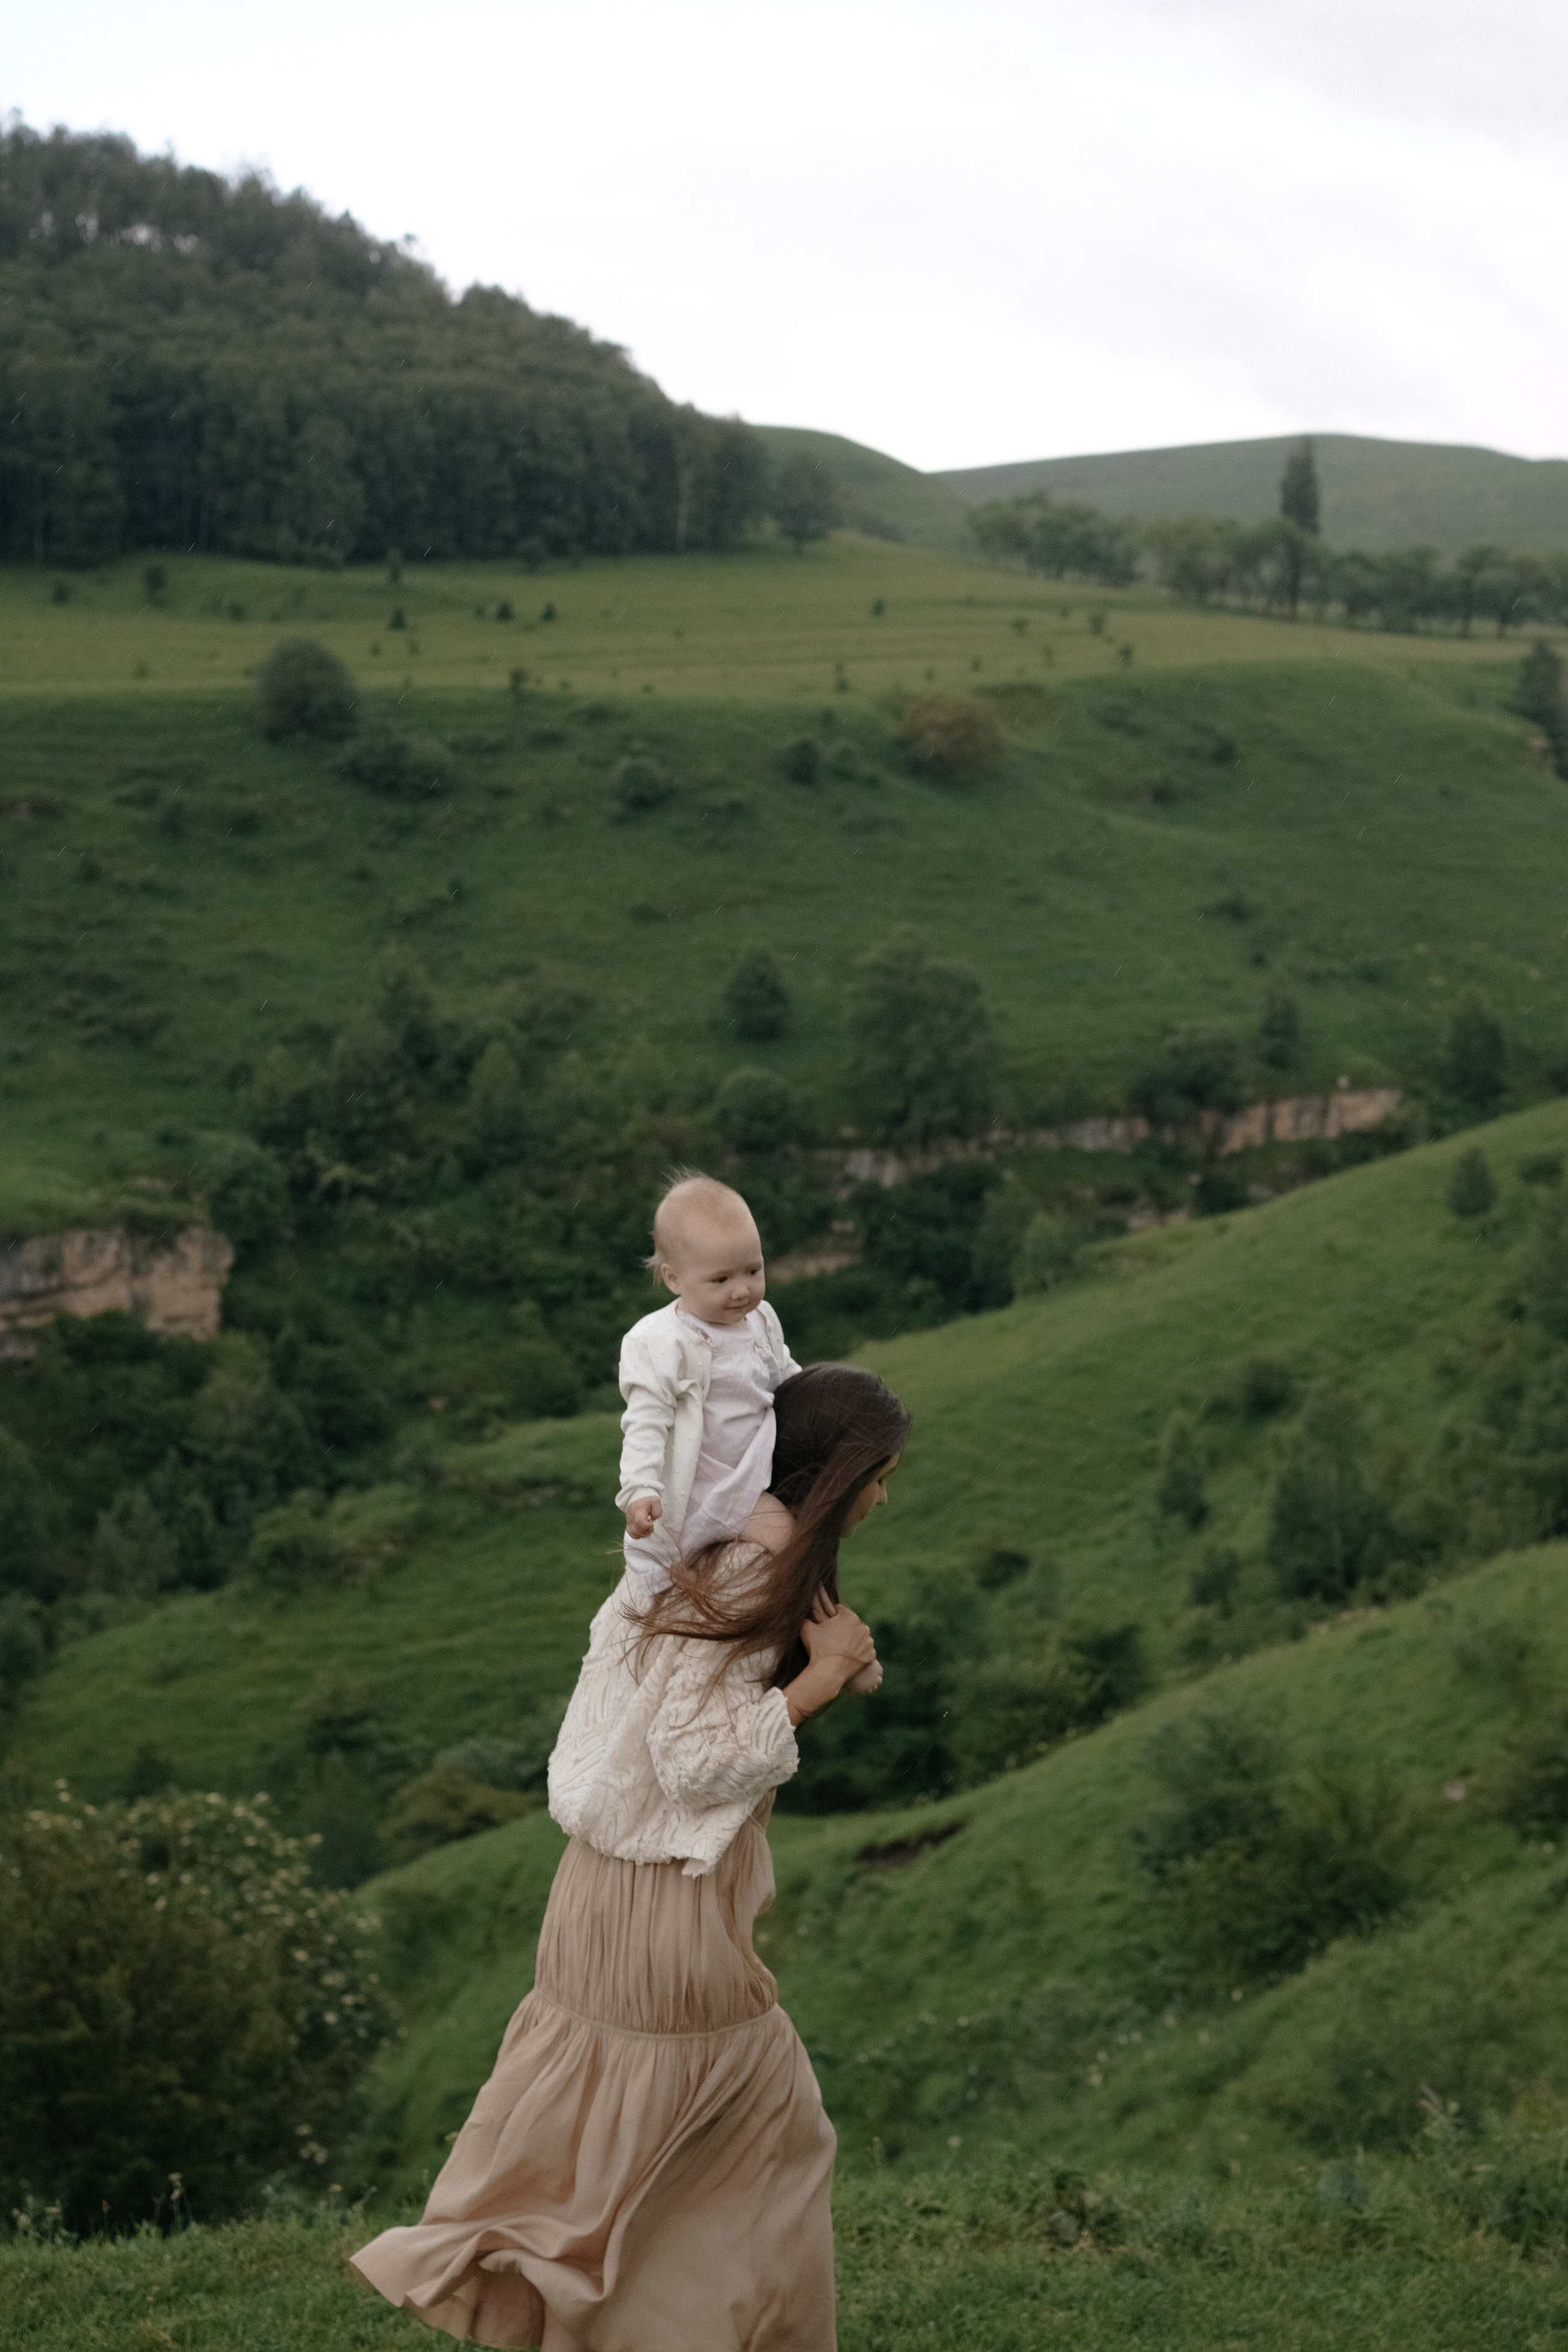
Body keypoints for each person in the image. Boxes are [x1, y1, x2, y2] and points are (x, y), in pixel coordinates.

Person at [352, 1360, 910, 2351]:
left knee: (647, 2162)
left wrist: (830, 1665)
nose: (883, 1498)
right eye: (879, 1477)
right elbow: (694, 1760)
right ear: (838, 1477)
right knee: (766, 2135)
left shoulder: (702, 1550)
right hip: (668, 1913)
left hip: (601, 1899)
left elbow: (682, 1701)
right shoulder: (751, 1572)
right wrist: (818, 1683)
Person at [618, 1169, 878, 1687]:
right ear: (674, 1279)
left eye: (753, 1271)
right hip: (712, 1488)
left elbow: (786, 1379)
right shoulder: (661, 1341)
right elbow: (646, 1420)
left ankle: (818, 1646)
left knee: (807, 1536)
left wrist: (828, 1420)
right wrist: (640, 1488)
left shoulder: (761, 1320)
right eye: (720, 1281)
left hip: (756, 1468)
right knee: (794, 1546)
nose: (741, 1291)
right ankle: (836, 1652)